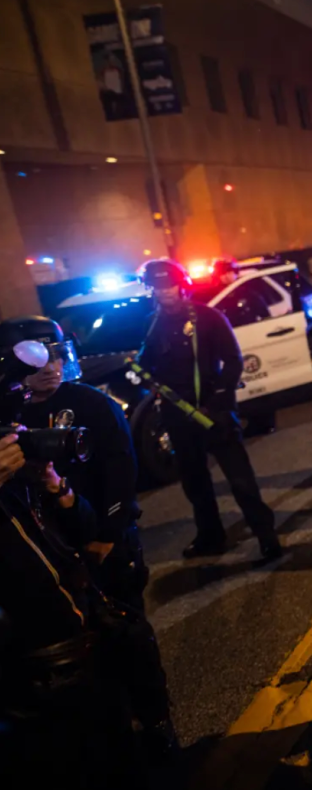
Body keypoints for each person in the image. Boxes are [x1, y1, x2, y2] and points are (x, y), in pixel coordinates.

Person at [2, 317, 179, 756]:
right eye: (37, 359)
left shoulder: (93, 404)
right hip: (51, 557)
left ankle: (157, 723)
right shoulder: (11, 417)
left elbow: (122, 477)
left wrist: (109, 537)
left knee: (130, 637)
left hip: (101, 543)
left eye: (58, 355)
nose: (50, 367)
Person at [0, 428, 148, 788]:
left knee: (121, 753)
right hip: (29, 673)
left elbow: (85, 529)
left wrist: (56, 486)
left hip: (85, 645)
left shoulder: (18, 484)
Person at [136, 259, 282, 561]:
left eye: (170, 286)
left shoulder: (208, 317)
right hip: (178, 416)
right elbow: (145, 364)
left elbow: (233, 361)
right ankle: (210, 536)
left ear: (182, 285)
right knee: (194, 481)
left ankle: (266, 537)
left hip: (214, 412)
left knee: (240, 480)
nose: (165, 293)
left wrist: (216, 402)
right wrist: (140, 375)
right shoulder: (152, 325)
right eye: (158, 288)